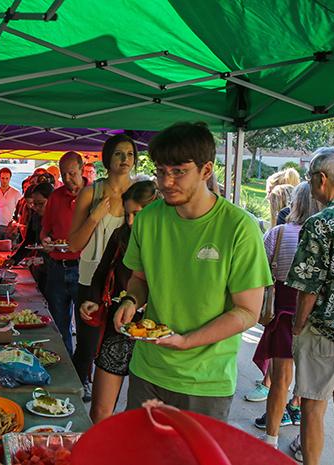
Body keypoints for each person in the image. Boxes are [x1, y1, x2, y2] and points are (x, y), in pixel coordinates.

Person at [113, 122, 272, 421]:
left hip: (205, 381)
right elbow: (139, 279)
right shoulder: (148, 220)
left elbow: (248, 311)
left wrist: (187, 341)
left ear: (206, 170)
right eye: (161, 171)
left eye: (179, 171)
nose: (166, 181)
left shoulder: (239, 227)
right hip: (148, 369)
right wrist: (130, 301)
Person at [79, 180, 159, 422]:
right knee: (101, 410)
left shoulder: (166, 239)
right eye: (127, 214)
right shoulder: (121, 233)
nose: (131, 221)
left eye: (137, 213)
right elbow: (102, 271)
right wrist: (94, 300)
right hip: (118, 323)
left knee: (140, 414)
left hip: (153, 332)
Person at [250, 182, 318, 448]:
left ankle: (271, 438)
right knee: (311, 386)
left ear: (296, 203)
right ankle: (305, 439)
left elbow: (260, 273)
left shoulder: (277, 234)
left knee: (280, 380)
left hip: (283, 315)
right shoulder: (322, 237)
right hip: (314, 318)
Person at [69, 134, 136, 400]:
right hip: (90, 279)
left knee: (116, 343)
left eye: (130, 154)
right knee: (86, 345)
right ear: (107, 158)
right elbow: (74, 243)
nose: (125, 160)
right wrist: (94, 218)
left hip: (125, 282)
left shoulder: (141, 194)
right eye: (119, 154)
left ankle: (105, 400)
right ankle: (74, 392)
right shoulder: (91, 192)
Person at [285, 147, 334, 465]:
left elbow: (307, 288)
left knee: (313, 407)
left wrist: (297, 325)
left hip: (322, 330)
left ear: (320, 179)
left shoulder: (320, 224)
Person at [41, 151, 86, 354]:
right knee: (59, 325)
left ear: (82, 170)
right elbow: (46, 229)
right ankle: (67, 369)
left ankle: (83, 376)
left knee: (86, 328)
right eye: (63, 174)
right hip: (57, 267)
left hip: (84, 268)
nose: (67, 179)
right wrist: (46, 241)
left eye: (72, 174)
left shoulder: (94, 194)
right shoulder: (56, 196)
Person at [5, 182, 54, 295]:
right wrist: (15, 259)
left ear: (51, 201)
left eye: (40, 204)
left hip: (55, 270)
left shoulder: (60, 217)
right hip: (40, 267)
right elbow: (29, 240)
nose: (36, 208)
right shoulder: (35, 215)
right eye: (34, 204)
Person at [0, 168, 21, 239]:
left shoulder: (16, 193)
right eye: (2, 178)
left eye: (7, 178)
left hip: (9, 226)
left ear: (10, 178)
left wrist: (16, 225)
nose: (4, 181)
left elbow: (20, 211)